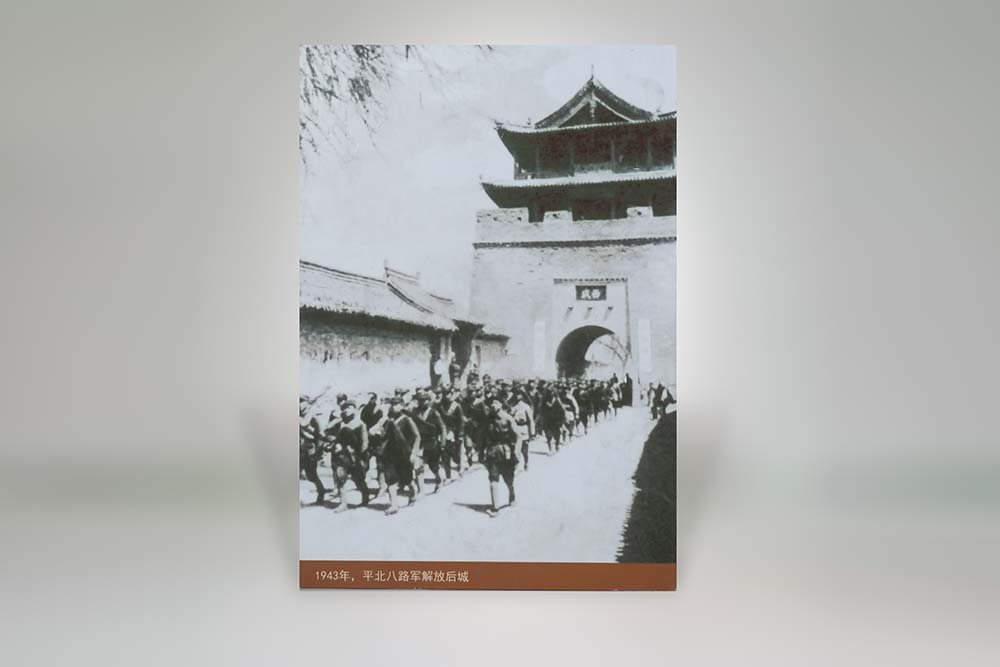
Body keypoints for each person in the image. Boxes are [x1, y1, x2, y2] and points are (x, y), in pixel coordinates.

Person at [380, 397, 422, 514]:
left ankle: (413, 492)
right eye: (392, 405)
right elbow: (384, 436)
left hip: (404, 454)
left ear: (402, 406)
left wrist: (414, 452)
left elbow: (417, 436)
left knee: (407, 479)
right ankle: (394, 505)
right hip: (390, 454)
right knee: (390, 479)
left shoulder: (407, 419)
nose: (393, 407)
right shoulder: (388, 421)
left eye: (396, 404)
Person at [482, 397, 520, 517]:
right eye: (491, 403)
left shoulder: (508, 418)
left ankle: (512, 495)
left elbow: (518, 436)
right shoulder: (488, 419)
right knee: (493, 478)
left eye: (496, 402)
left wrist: (517, 452)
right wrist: (481, 452)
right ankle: (495, 508)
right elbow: (483, 436)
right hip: (492, 452)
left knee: (508, 478)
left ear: (501, 404)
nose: (493, 405)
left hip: (506, 451)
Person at [331, 400, 371, 511]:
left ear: (355, 409)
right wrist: (337, 445)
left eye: (349, 408)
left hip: (355, 457)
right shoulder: (342, 424)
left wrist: (361, 458)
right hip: (342, 457)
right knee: (340, 479)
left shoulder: (361, 424)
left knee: (359, 480)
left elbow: (364, 443)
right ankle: (343, 504)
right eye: (344, 408)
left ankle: (365, 497)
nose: (346, 410)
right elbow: (337, 439)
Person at [411, 391, 447, 493]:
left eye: (424, 400)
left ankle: (438, 479)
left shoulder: (434, 412)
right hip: (419, 443)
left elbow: (442, 427)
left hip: (431, 442)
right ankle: (421, 490)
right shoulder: (415, 412)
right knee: (418, 466)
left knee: (433, 466)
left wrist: (443, 443)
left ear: (428, 401)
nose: (422, 403)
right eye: (420, 400)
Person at [299, 397, 327, 504]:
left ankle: (321, 491)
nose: (299, 404)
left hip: (309, 450)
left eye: (302, 402)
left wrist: (319, 452)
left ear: (307, 403)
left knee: (311, 475)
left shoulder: (313, 417)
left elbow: (320, 435)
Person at [439, 388, 466, 479]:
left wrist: (460, 434)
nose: (447, 396)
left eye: (449, 394)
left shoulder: (456, 406)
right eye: (445, 394)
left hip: (455, 432)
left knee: (455, 455)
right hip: (443, 433)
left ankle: (459, 465)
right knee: (445, 455)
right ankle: (448, 476)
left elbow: (461, 421)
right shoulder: (440, 406)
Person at [510, 392, 535, 470]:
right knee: (515, 448)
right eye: (517, 395)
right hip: (515, 428)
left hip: (523, 428)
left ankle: (526, 462)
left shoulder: (526, 407)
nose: (518, 397)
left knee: (524, 449)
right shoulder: (513, 406)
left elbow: (531, 420)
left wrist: (532, 432)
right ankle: (516, 464)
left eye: (519, 396)